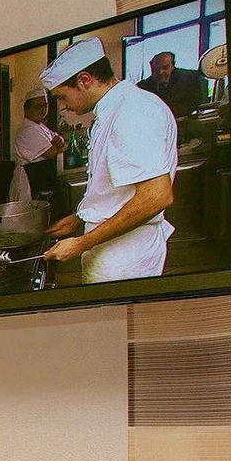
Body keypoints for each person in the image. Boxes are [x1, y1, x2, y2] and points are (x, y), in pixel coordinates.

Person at [39, 36, 177, 282]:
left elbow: (156, 196)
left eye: (61, 96)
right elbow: (115, 192)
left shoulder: (133, 111)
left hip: (125, 257)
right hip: (113, 250)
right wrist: (81, 218)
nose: (62, 106)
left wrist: (82, 242)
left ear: (84, 80)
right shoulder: (114, 109)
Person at [10, 89, 66, 211]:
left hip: (40, 177)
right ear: (26, 110)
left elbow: (60, 142)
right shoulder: (28, 130)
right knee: (30, 214)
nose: (42, 110)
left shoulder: (40, 127)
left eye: (44, 106)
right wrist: (57, 144)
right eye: (37, 107)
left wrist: (59, 142)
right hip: (30, 179)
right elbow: (51, 153)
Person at [138, 50, 207, 117]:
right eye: (156, 69)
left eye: (165, 68)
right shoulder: (141, 88)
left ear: (173, 66)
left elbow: (196, 103)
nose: (160, 72)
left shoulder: (190, 78)